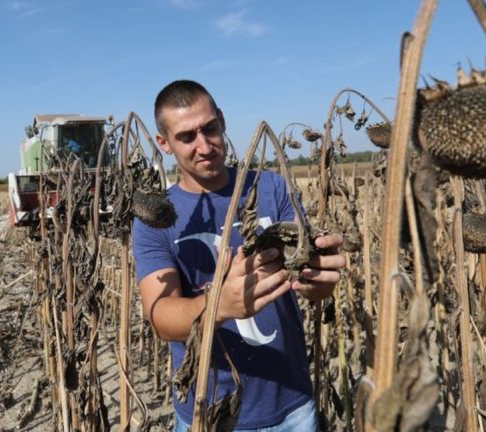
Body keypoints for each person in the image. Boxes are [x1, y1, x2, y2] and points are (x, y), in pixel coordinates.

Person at [132, 80, 346, 431]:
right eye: (187, 137)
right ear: (164, 144)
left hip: (290, 404)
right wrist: (218, 304)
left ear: (222, 121)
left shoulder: (271, 187)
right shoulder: (156, 218)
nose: (204, 146)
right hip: (209, 408)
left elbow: (310, 279)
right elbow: (161, 317)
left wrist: (319, 281)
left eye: (210, 128)